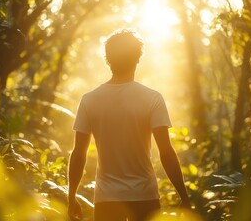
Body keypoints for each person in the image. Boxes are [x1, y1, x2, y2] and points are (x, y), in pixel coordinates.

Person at [68, 29, 190, 221]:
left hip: (106, 199)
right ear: (137, 58)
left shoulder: (89, 100)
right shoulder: (152, 98)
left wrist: (71, 197)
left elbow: (78, 154)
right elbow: (166, 152)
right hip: (144, 197)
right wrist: (184, 196)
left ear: (108, 59)